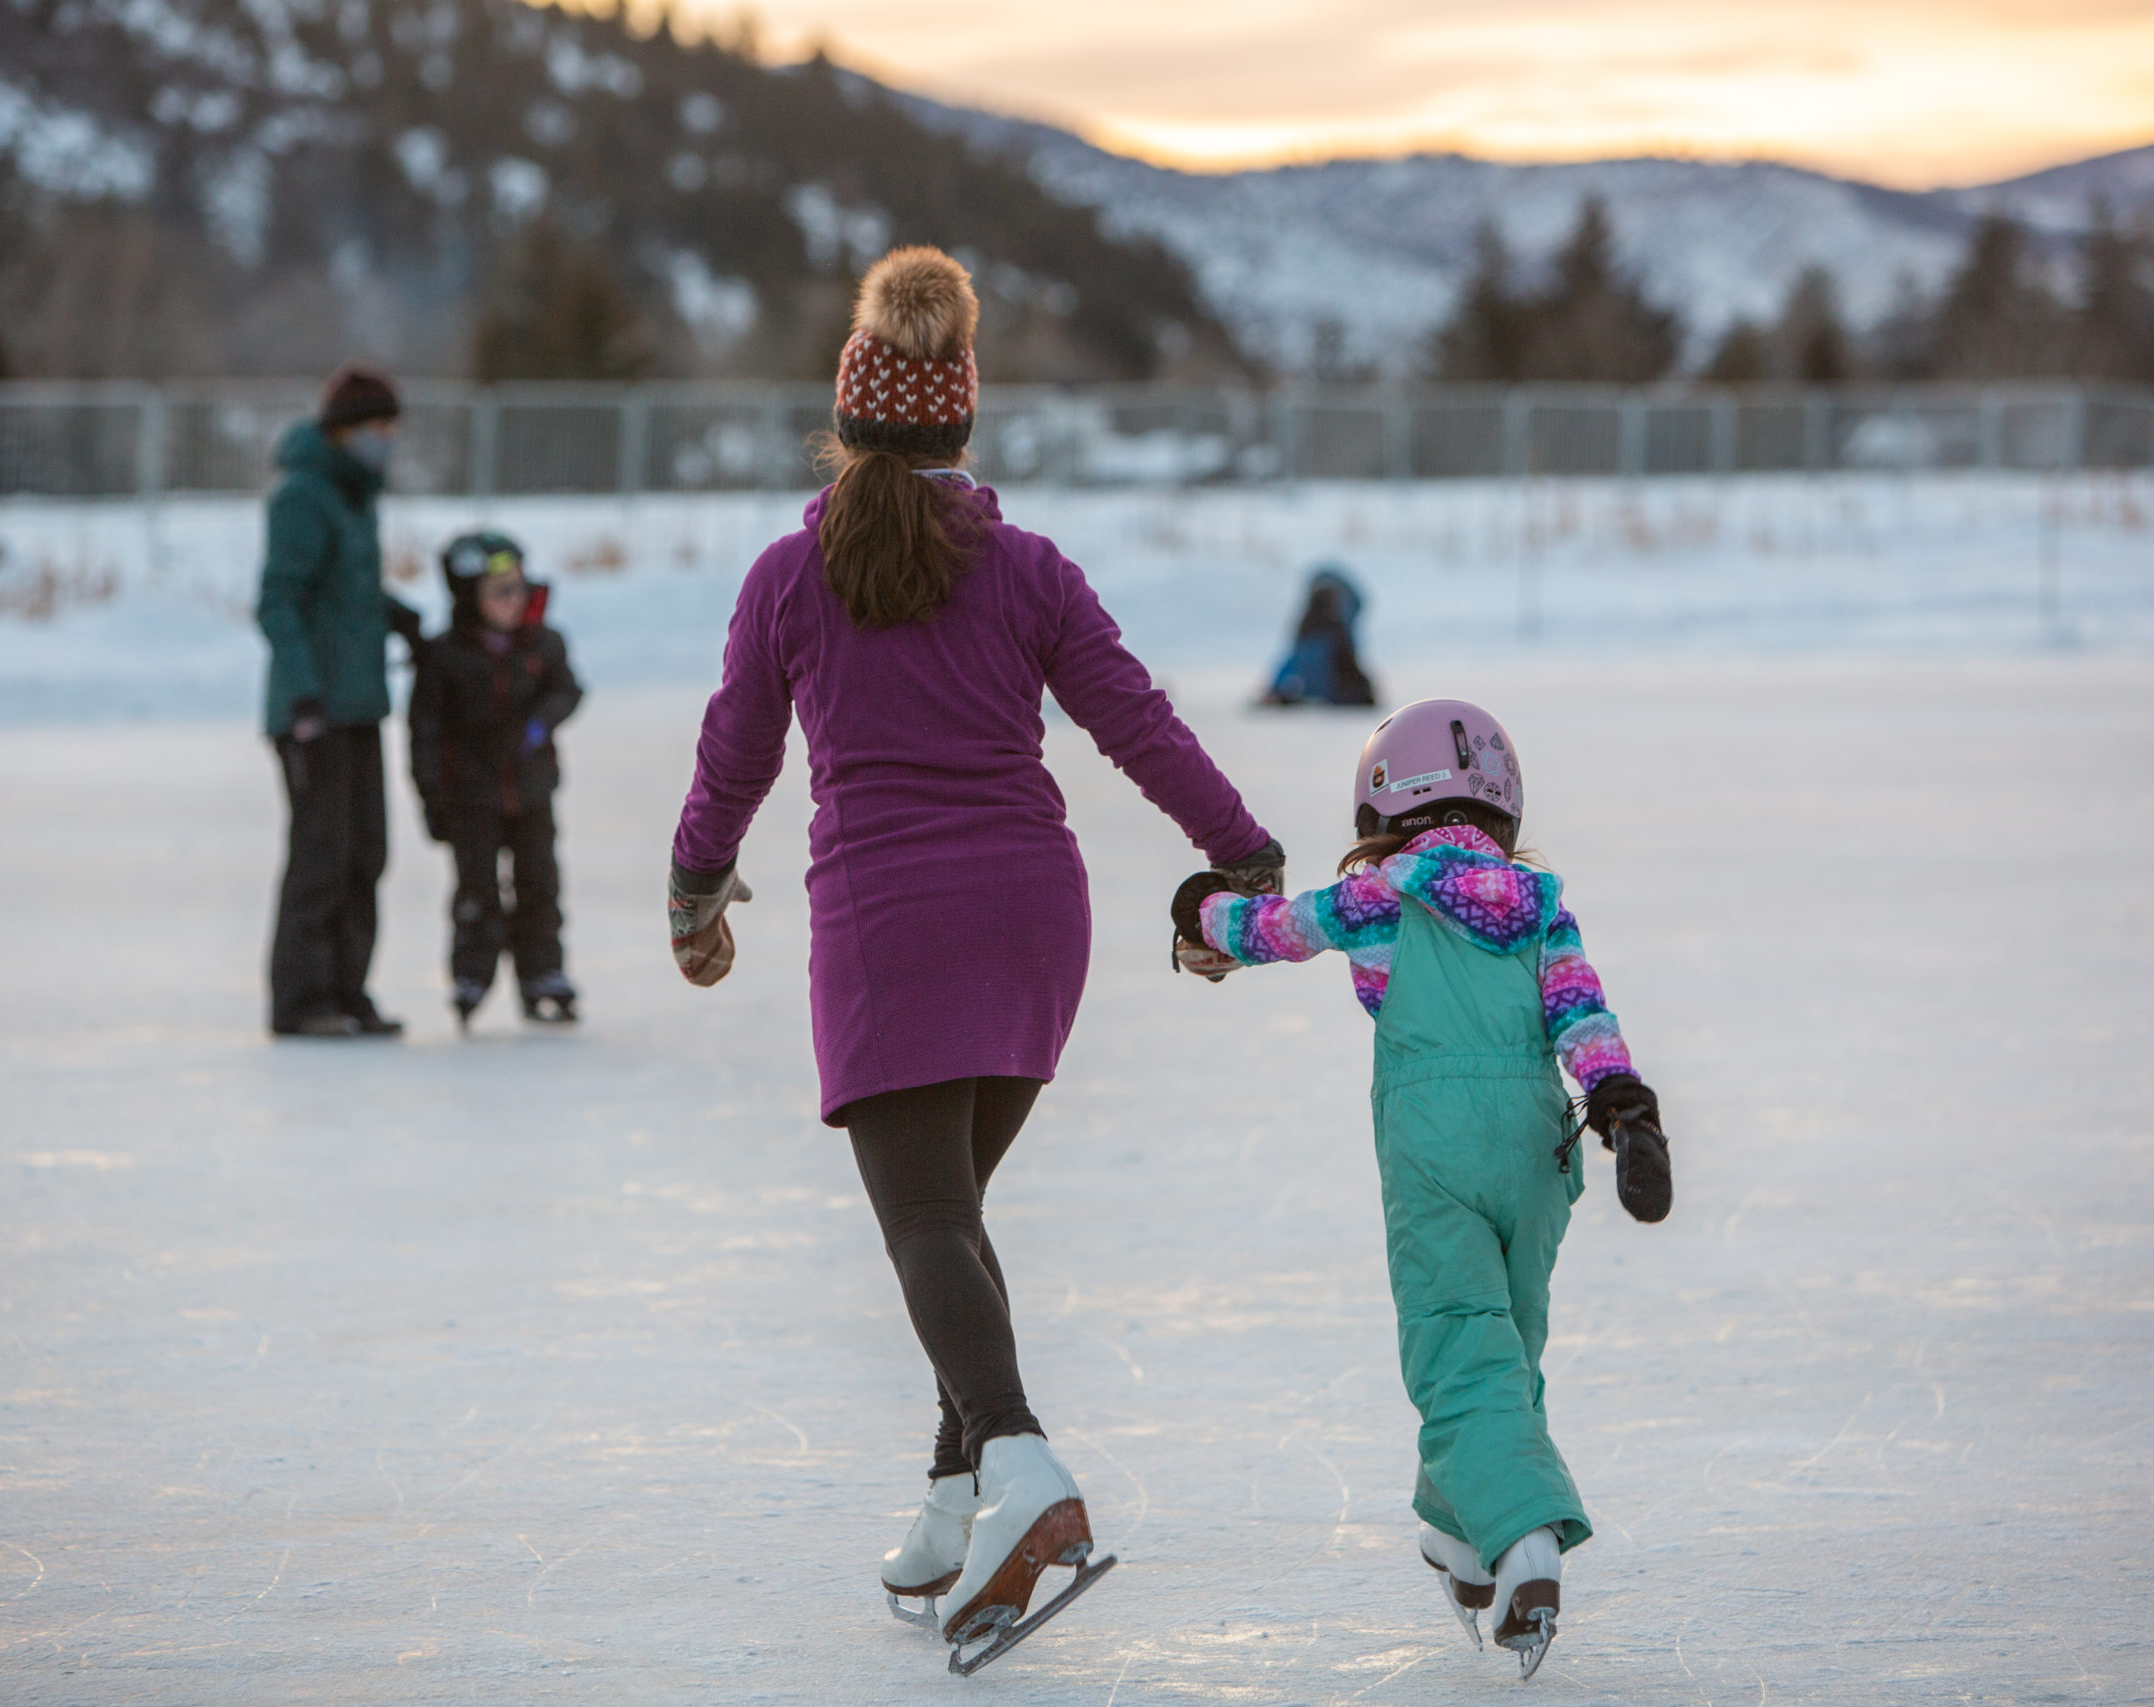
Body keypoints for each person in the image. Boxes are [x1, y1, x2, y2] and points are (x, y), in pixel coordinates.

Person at [666, 247, 1283, 1662]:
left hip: (888, 926)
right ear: (961, 416)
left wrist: (695, 883)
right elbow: (1138, 719)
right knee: (952, 1209)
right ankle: (955, 1497)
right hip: (1030, 920)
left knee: (927, 1220)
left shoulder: (791, 573)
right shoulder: (1026, 567)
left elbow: (734, 753)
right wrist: (1242, 850)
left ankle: (1023, 1463)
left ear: (852, 410)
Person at [1168, 698, 1673, 1680]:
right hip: (1538, 1152)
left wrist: (1201, 914)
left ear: (1380, 807)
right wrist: (1622, 1104)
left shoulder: (1386, 893)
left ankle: (1523, 1538)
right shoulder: (1540, 907)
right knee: (1505, 1347)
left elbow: (1278, 928)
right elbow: (1582, 1012)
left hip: (1436, 1152)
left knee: (1454, 1343)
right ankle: (1453, 1528)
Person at [255, 365, 423, 1038]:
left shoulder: (356, 498)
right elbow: (280, 599)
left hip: (359, 704)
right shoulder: (302, 496)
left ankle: (348, 991)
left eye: (391, 429)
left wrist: (399, 616)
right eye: (376, 429)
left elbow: (345, 594)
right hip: (314, 710)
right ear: (342, 431)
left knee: (365, 852)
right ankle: (301, 1000)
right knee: (320, 855)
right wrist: (301, 695)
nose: (386, 440)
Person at [408, 531, 586, 1029]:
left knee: (539, 885)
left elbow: (568, 690)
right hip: (472, 800)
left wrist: (540, 722)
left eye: (518, 589)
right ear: (470, 599)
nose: (514, 601)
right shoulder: (445, 656)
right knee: (476, 892)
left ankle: (543, 974)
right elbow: (424, 732)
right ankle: (472, 976)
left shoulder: (542, 643)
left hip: (531, 794)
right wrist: (432, 797)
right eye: (499, 592)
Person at [1260, 564, 1377, 706]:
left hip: (1322, 691)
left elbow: (1290, 662)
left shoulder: (1307, 630)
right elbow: (1350, 666)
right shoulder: (1336, 632)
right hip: (1334, 693)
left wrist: (1275, 689)